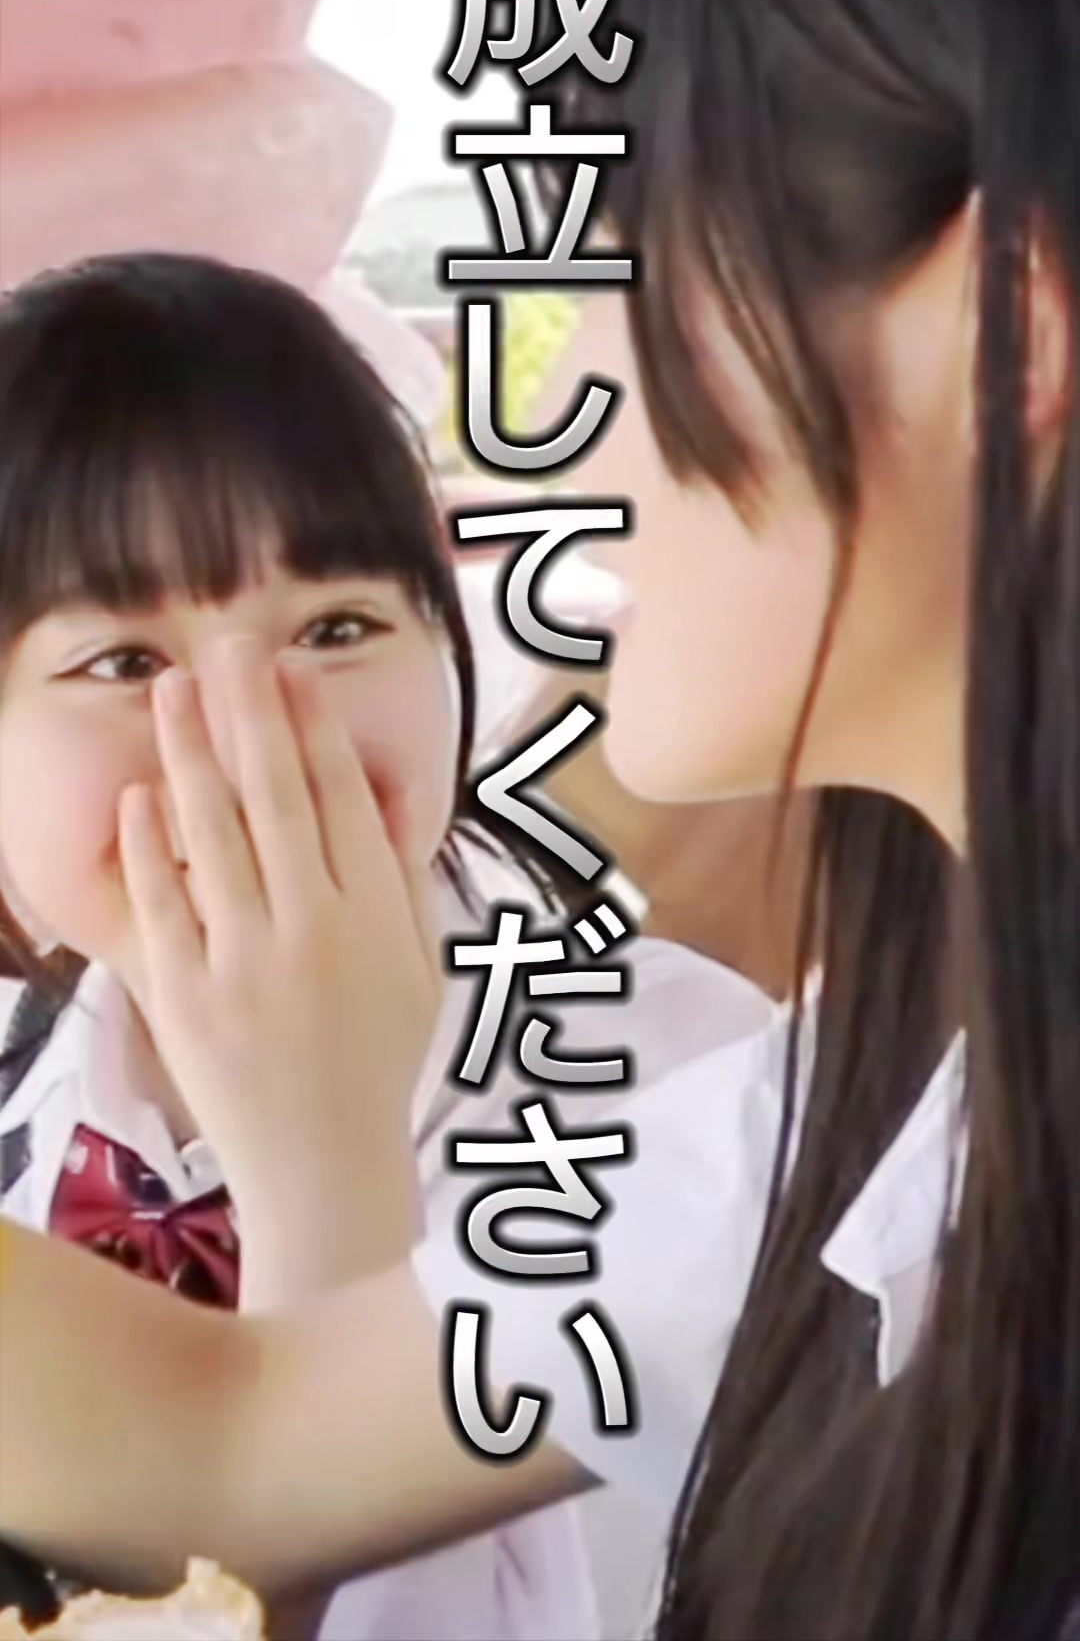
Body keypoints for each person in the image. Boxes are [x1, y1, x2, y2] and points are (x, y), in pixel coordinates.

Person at [1, 0, 1077, 1632]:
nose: (559, 430)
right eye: (121, 657)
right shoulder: (867, 1101)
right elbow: (228, 1439)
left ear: (1003, 324)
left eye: (622, 275)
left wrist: (327, 1151)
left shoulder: (662, 1068)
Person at [0, 251, 772, 1638]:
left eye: (337, 627)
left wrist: (326, 1161)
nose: (251, 732)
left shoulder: (689, 1093)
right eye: (124, 662)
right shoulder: (21, 1099)